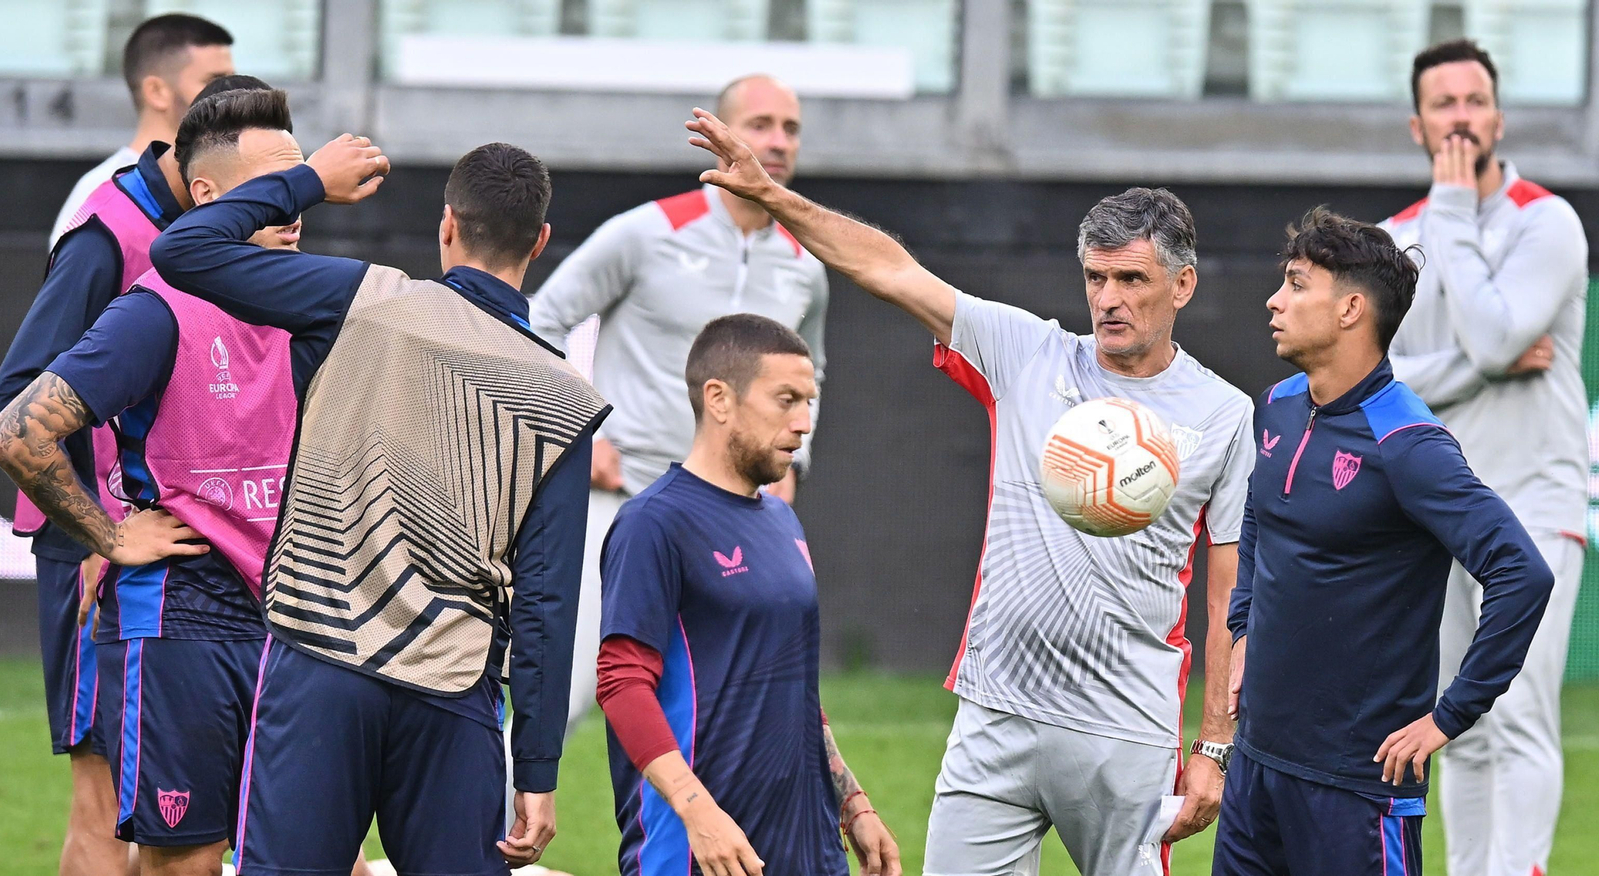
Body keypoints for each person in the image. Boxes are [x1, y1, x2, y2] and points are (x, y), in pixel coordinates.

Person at [685, 110, 1253, 874]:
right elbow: (889, 269)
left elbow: (1230, 598)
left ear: (1181, 285)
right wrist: (776, 197)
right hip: (998, 715)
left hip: (1125, 732)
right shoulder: (1026, 352)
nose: (1109, 298)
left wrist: (1215, 744)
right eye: (1096, 277)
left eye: (1131, 279)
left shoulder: (1224, 414)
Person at [147, 136, 607, 874]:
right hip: (451, 692)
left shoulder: (363, 301)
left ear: (447, 224)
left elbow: (182, 250)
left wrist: (306, 182)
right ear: (542, 241)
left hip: (318, 666)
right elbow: (548, 605)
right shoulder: (563, 399)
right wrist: (539, 769)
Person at [1216, 208, 1555, 875]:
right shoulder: (1278, 404)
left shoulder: (1410, 445)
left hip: (1358, 792)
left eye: (1295, 284)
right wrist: (1243, 626)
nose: (1274, 301)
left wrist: (1450, 716)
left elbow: (1523, 572)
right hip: (1257, 771)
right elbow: (1259, 514)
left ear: (1349, 309)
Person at [0, 72, 265, 876]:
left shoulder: (211, 237)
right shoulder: (107, 232)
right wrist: (103, 532)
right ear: (209, 173)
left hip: (198, 575)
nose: (283, 216)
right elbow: (20, 397)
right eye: (270, 192)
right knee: (103, 808)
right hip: (108, 562)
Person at [527, 73, 828, 735]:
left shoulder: (806, 264)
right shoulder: (646, 231)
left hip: (732, 521)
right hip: (622, 502)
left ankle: (699, 843)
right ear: (720, 136)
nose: (776, 141)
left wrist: (792, 464)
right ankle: (468, 839)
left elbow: (813, 369)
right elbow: (539, 322)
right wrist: (580, 436)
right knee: (557, 694)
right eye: (759, 124)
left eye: (790, 127)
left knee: (717, 716)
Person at [1379, 39, 1589, 876]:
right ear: (1417, 123)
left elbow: (1502, 331)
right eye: (1444, 104)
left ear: (1497, 116)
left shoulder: (1549, 221)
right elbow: (1385, 376)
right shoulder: (1392, 242)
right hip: (1436, 512)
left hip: (1535, 499)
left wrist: (1454, 210)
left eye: (1474, 101)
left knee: (1521, 713)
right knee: (1453, 724)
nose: (1460, 117)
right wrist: (1480, 365)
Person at [596, 314, 898, 876]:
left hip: (809, 847)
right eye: (786, 400)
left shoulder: (783, 521)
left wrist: (852, 803)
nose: (804, 422)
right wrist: (698, 813)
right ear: (719, 399)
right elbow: (622, 685)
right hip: (701, 851)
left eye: (809, 401)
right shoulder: (653, 523)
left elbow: (794, 686)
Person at [49, 14, 234, 248]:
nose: (232, 92)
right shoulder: (101, 194)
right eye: (214, 80)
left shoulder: (231, 182)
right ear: (156, 91)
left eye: (233, 79)